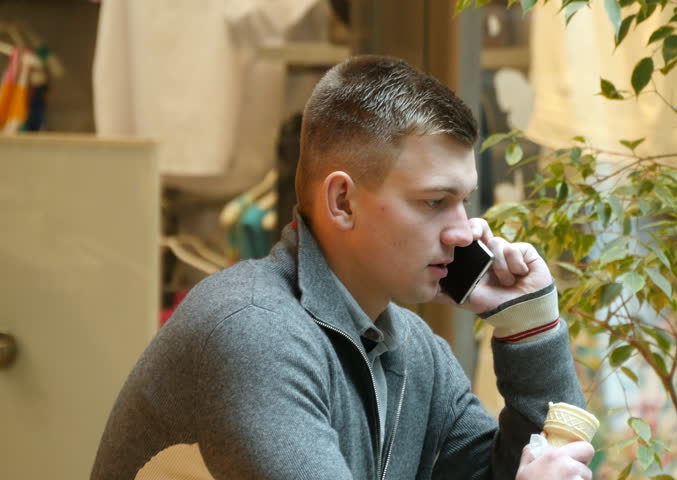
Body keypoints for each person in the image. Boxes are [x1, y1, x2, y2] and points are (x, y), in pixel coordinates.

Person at [91, 55, 593, 480]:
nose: (464, 232)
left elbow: (521, 467)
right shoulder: (251, 331)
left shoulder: (415, 354)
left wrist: (529, 329)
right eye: (434, 202)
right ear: (342, 202)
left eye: (464, 201)